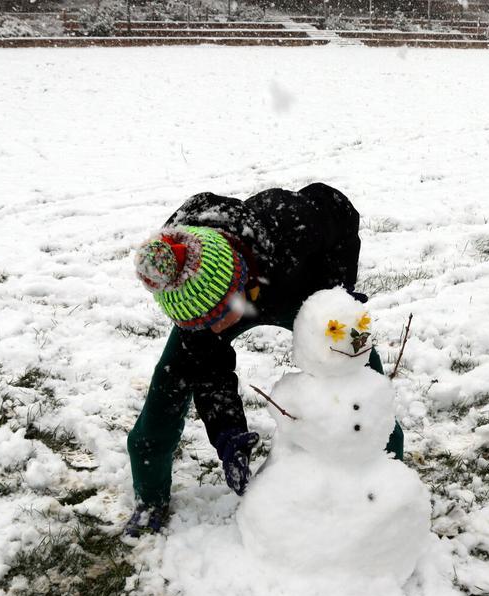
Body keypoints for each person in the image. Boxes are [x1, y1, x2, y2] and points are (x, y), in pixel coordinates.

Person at [122, 183, 405, 536]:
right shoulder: (188, 296)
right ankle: (150, 500)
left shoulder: (289, 228)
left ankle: (388, 483)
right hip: (218, 297)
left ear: (236, 279)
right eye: (205, 322)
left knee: (357, 381)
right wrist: (228, 436)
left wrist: (337, 293)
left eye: (220, 314)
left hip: (297, 291)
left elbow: (337, 207)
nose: (217, 327)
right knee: (170, 384)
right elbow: (210, 370)